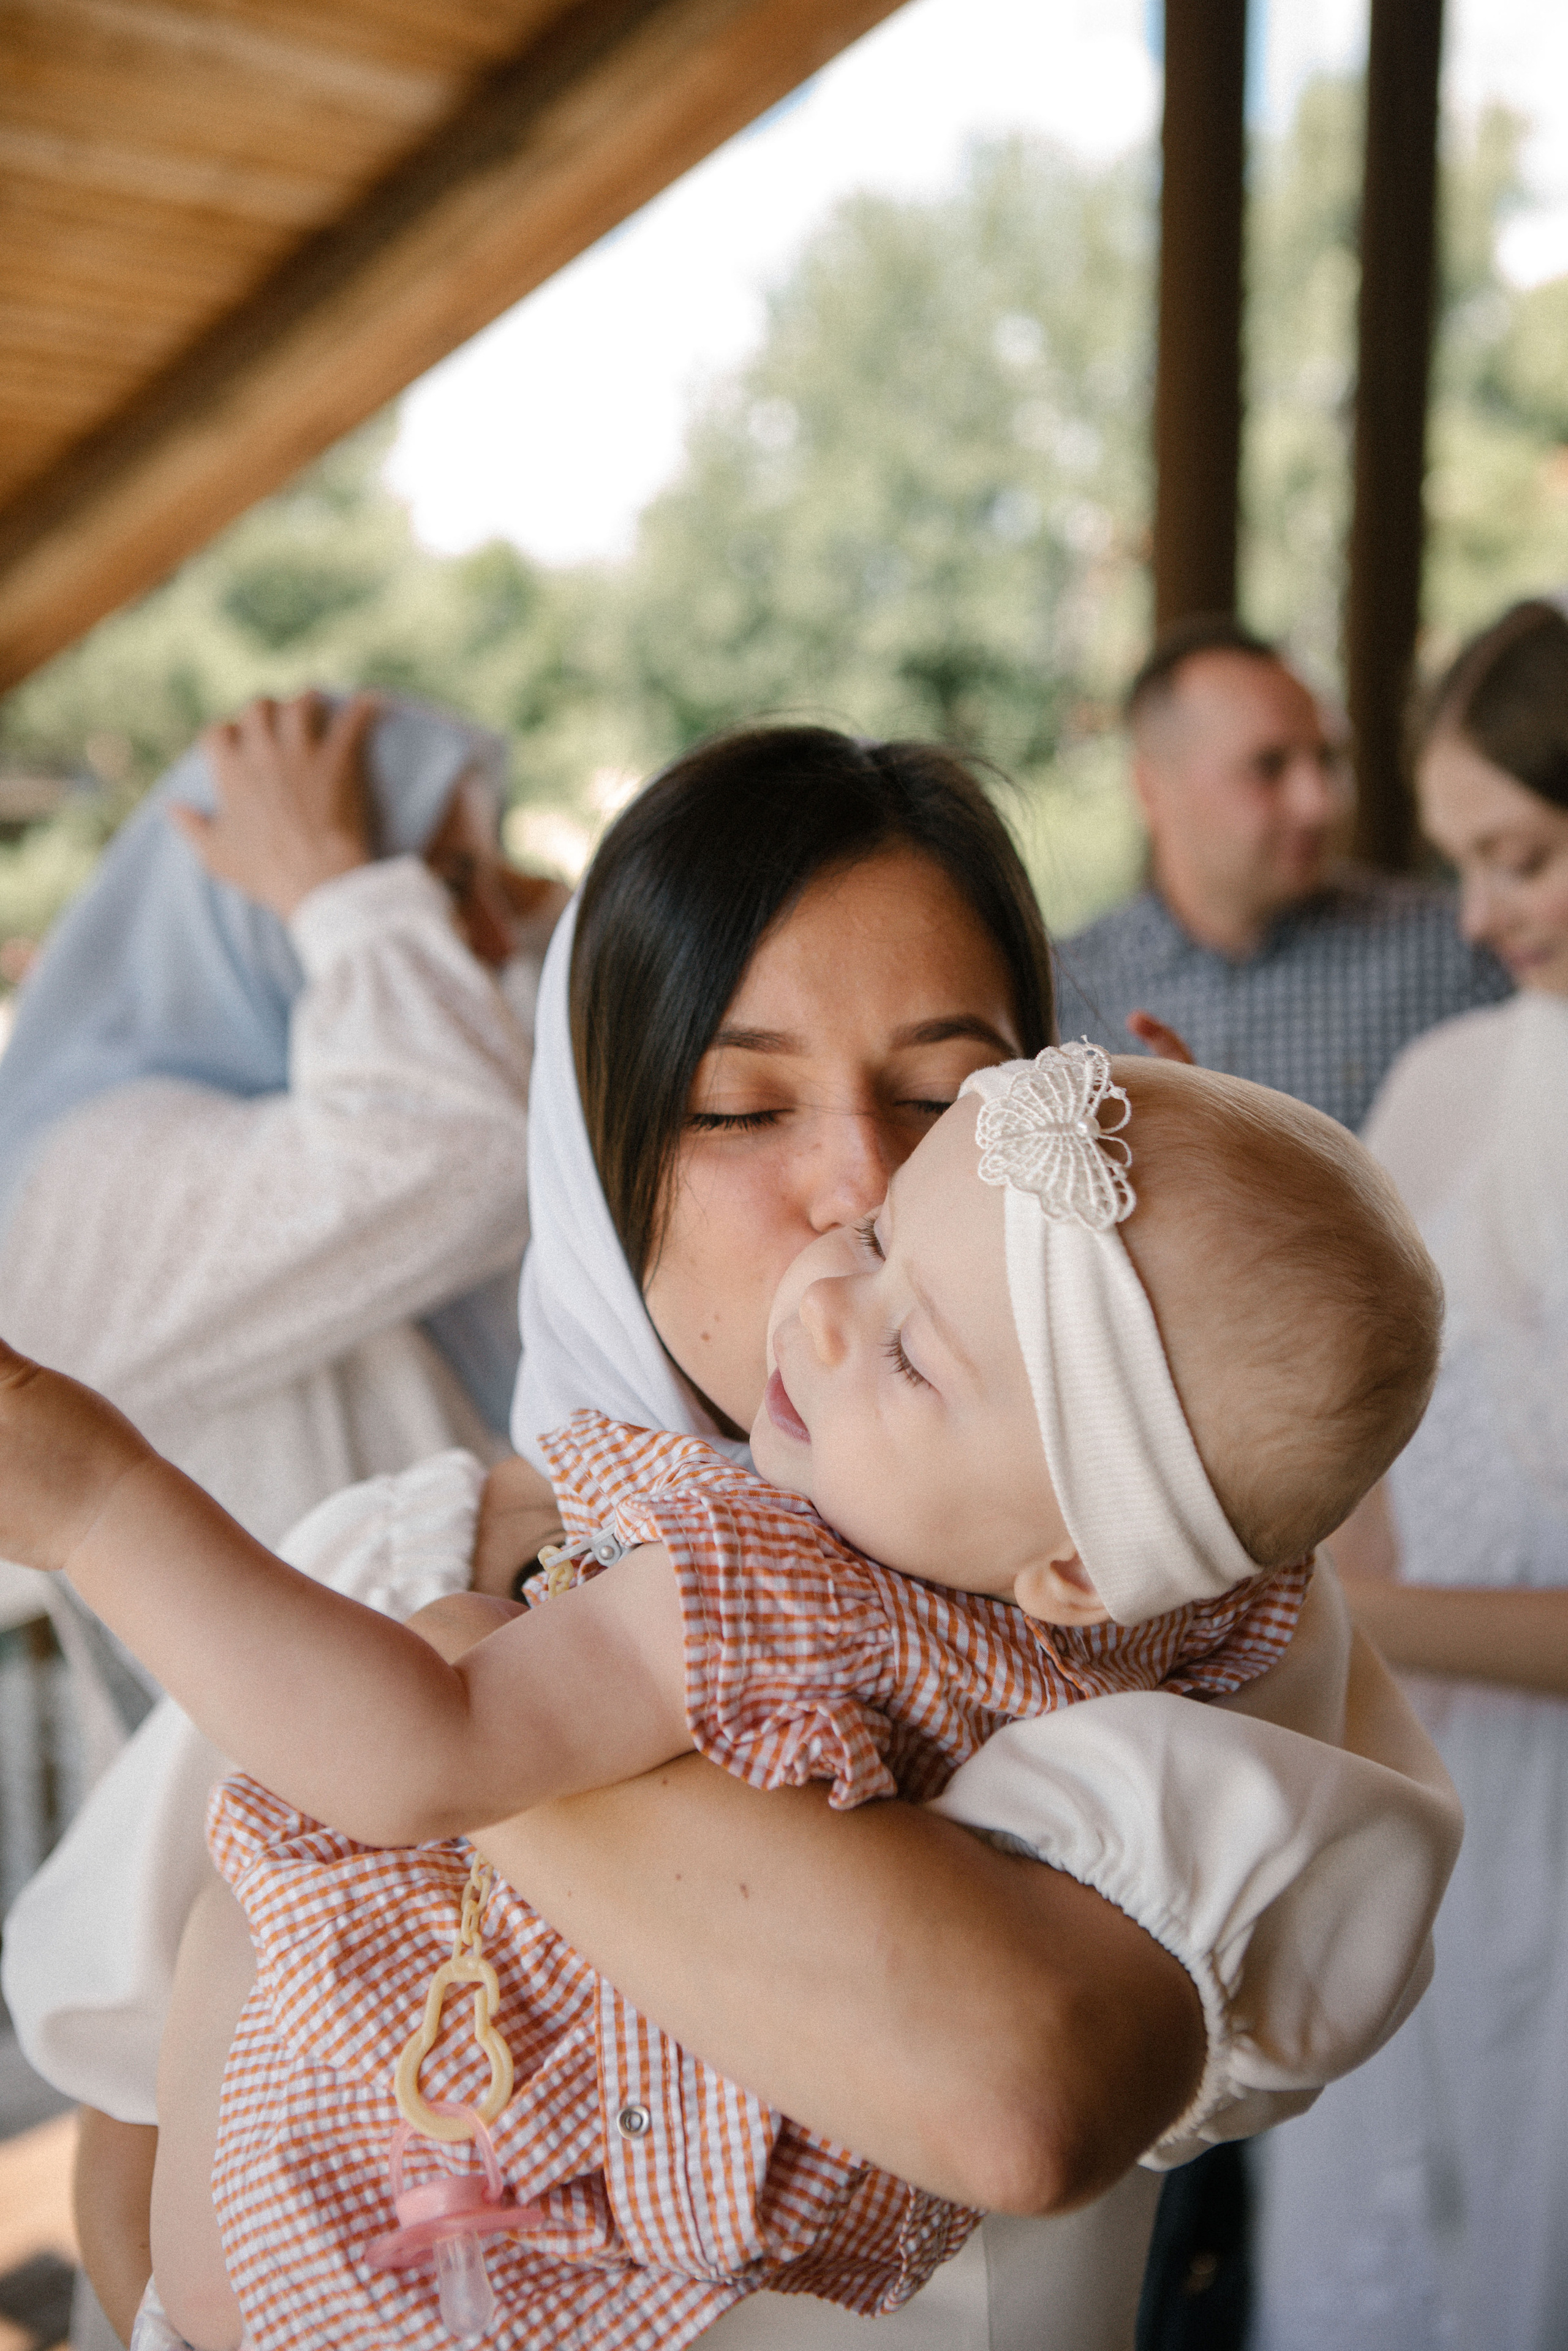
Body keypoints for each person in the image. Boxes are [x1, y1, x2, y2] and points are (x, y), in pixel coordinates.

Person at [4, 728, 1461, 2351]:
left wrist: (493, 1688)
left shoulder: (1168, 1624)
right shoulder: (380, 1550)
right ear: (601, 1151)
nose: (852, 1185)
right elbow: (126, 2119)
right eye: (737, 1107)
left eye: (937, 1095)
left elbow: (1024, 2090)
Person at [0, 688, 562, 2341]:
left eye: (476, 877)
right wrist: (337, 886)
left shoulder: (264, 1103)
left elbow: (521, 1112)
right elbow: (461, 1150)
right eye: (433, 875)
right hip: (272, 1850)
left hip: (422, 1795)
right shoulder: (79, 1182)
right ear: (237, 897)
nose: (469, 922)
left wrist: (418, 906)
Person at [1248, 599, 1568, 2351]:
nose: (1481, 916)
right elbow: (1360, 1429)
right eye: (1462, 862)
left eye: (1521, 854)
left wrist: (1355, 1614)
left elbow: (1361, 1580)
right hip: (1401, 1798)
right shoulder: (1443, 1081)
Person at [1055, 614, 1512, 1131]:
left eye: (1329, 759)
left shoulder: (1459, 952)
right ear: (1149, 788)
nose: (1318, 803)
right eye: (1268, 766)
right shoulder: (1062, 996)